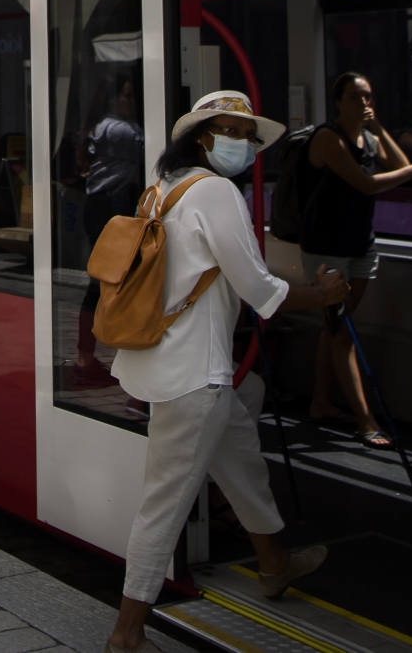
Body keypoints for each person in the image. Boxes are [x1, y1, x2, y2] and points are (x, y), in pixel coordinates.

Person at [108, 92, 352, 650]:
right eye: (230, 130)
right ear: (201, 136)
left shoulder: (163, 188)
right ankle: (126, 634)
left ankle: (273, 563)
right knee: (163, 504)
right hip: (196, 374)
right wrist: (323, 293)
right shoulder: (215, 191)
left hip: (165, 361)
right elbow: (258, 287)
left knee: (240, 442)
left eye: (248, 134)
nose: (242, 143)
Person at [303, 72, 412, 448]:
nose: (363, 104)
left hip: (360, 244)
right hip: (327, 247)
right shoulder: (328, 138)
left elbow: (397, 163)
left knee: (335, 329)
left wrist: (378, 126)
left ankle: (320, 402)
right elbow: (366, 183)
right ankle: (366, 421)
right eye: (354, 97)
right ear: (338, 103)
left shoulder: (368, 137)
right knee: (341, 331)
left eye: (368, 97)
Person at [75, 77, 147, 379]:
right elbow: (153, 148)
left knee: (103, 284)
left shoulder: (105, 126)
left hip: (103, 207)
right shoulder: (119, 129)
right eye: (127, 96)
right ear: (112, 100)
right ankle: (97, 361)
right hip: (112, 209)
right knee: (119, 285)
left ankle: (86, 358)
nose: (131, 102)